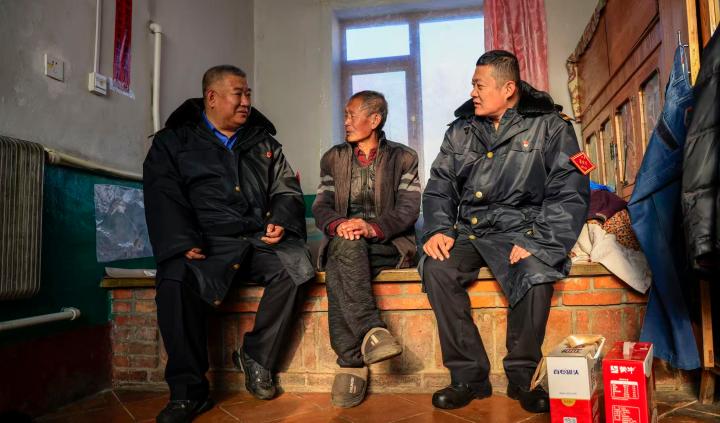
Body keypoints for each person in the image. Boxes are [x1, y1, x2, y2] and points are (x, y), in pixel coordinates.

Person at [421, 50, 590, 413]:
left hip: (524, 229)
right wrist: (438, 228)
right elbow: (440, 185)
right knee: (436, 268)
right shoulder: (461, 130)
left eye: (479, 85)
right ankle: (468, 377)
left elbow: (570, 190)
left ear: (508, 88)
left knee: (536, 271)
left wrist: (539, 241)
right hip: (471, 230)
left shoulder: (552, 126)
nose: (473, 93)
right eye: (473, 85)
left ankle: (523, 377)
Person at [143, 65, 313, 423]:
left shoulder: (264, 143)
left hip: (255, 239)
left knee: (296, 267)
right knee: (174, 281)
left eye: (248, 93)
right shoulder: (173, 142)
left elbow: (286, 190)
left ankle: (257, 356)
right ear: (212, 97)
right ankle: (188, 393)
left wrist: (281, 220)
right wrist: (181, 240)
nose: (246, 101)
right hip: (204, 242)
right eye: (238, 93)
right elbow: (162, 193)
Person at [312, 90, 421, 407]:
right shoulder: (333, 158)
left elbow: (408, 210)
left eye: (351, 115)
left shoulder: (404, 157)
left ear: (374, 119)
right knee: (346, 248)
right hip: (345, 240)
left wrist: (370, 227)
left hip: (389, 244)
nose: (345, 121)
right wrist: (340, 225)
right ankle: (373, 331)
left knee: (340, 262)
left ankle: (350, 362)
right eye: (345, 115)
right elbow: (321, 206)